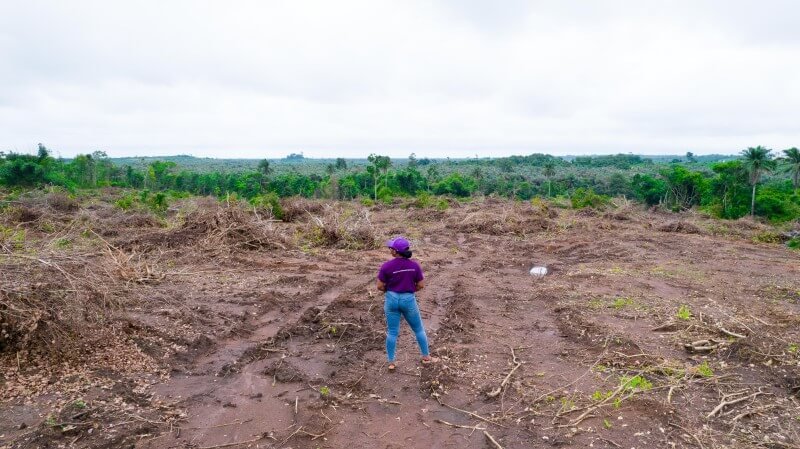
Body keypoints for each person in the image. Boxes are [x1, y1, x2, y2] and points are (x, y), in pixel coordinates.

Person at [377, 236, 437, 372]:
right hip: (408, 300)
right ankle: (426, 357)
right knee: (418, 329)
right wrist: (410, 290)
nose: (390, 249)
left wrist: (389, 290)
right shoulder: (414, 266)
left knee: (392, 332)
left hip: (391, 300)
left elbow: (379, 286)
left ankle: (391, 362)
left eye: (391, 248)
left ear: (395, 251)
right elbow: (421, 285)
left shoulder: (386, 266)